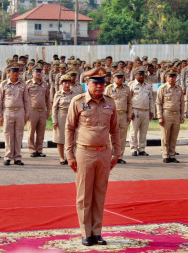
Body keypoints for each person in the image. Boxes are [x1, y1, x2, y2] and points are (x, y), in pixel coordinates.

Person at [65, 67, 120, 246]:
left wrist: (117, 151)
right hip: (84, 152)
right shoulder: (78, 101)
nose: (99, 87)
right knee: (84, 194)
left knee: (99, 194)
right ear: (87, 83)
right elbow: (70, 128)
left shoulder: (110, 103)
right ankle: (85, 232)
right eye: (95, 83)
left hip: (104, 152)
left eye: (102, 83)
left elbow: (115, 129)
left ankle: (97, 232)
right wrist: (69, 154)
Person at [0, 63, 30, 166]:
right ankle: (8, 157)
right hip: (8, 111)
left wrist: (26, 114)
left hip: (20, 111)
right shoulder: (3, 84)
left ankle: (17, 157)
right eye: (13, 71)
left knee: (19, 134)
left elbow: (26, 101)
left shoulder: (23, 85)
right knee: (8, 134)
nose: (15, 73)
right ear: (8, 72)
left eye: (17, 71)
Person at [156, 69, 185, 163]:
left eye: (173, 76)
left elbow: (182, 103)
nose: (171, 78)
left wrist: (182, 115)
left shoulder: (179, 88)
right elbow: (158, 103)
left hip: (176, 114)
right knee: (165, 136)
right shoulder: (163, 88)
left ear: (176, 77)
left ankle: (172, 155)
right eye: (170, 76)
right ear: (166, 77)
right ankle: (165, 155)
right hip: (166, 114)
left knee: (174, 136)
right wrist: (160, 117)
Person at [105, 70, 132, 163]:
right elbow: (105, 103)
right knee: (111, 136)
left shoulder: (127, 88)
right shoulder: (109, 88)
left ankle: (119, 157)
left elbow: (129, 103)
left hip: (123, 114)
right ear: (113, 78)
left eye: (122, 77)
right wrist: (107, 115)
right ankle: (110, 155)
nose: (120, 79)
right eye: (118, 77)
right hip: (113, 114)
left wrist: (129, 115)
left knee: (122, 137)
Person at [26, 64, 50, 158]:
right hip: (32, 110)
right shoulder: (28, 84)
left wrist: (48, 110)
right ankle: (32, 149)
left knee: (41, 132)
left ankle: (39, 150)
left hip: (43, 111)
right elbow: (25, 99)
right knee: (31, 131)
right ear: (32, 73)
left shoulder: (45, 84)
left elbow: (47, 98)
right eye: (36, 71)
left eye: (40, 72)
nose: (38, 73)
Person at [52, 74, 76, 165]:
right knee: (61, 138)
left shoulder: (74, 93)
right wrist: (55, 121)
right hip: (61, 116)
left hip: (71, 116)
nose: (67, 84)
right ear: (61, 84)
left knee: (71, 138)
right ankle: (61, 157)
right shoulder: (58, 94)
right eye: (65, 82)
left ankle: (69, 156)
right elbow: (54, 108)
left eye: (68, 82)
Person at [129, 67, 153, 157]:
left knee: (144, 131)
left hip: (146, 111)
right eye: (139, 74)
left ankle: (142, 149)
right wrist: (130, 111)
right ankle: (134, 148)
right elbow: (129, 100)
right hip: (135, 111)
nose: (141, 76)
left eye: (143, 74)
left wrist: (151, 111)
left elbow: (151, 99)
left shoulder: (148, 85)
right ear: (135, 75)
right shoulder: (132, 85)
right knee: (133, 131)